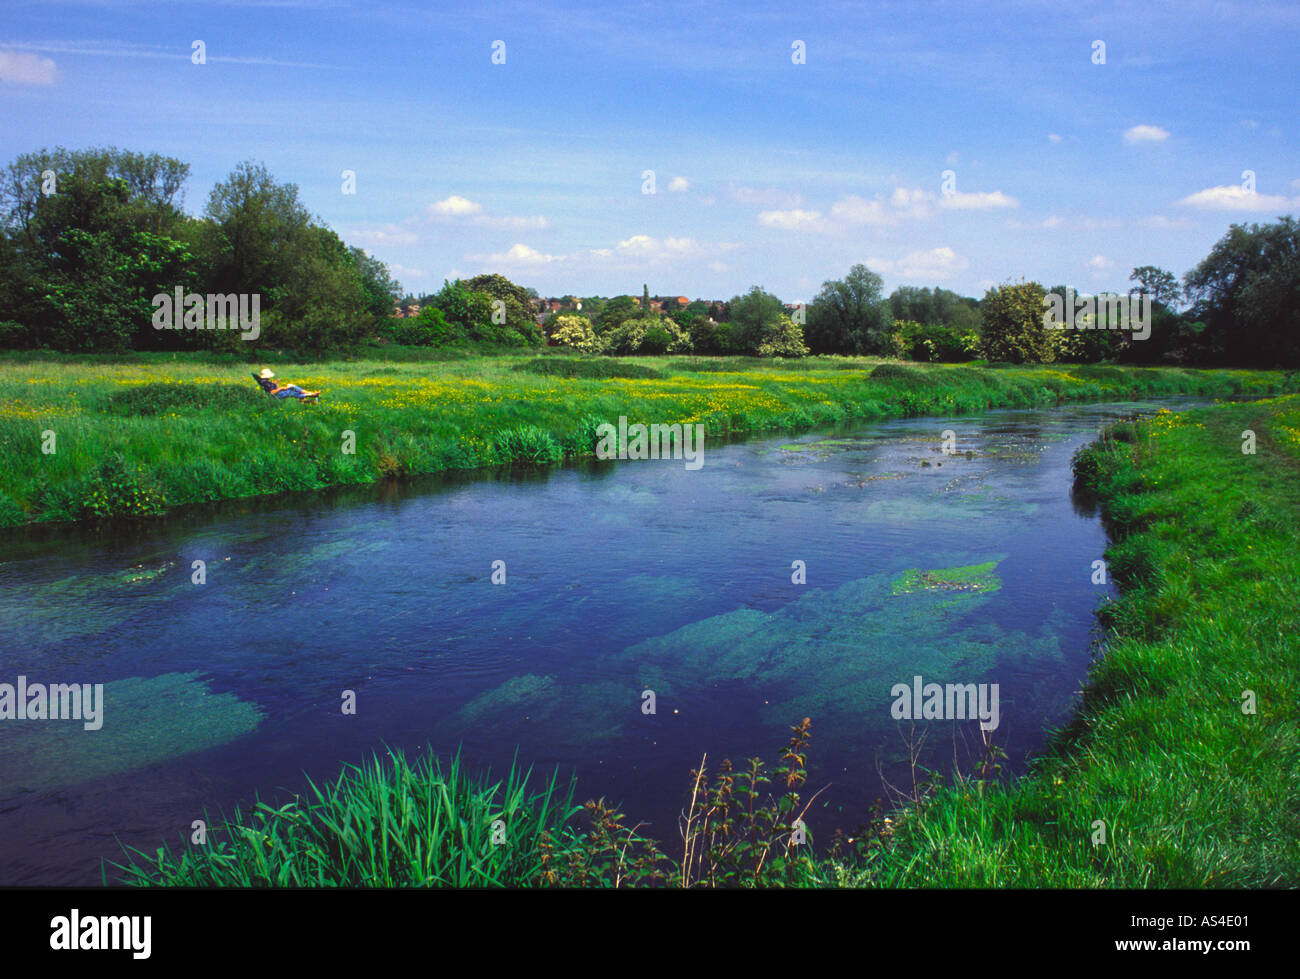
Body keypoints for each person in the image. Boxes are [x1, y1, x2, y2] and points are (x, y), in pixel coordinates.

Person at [253, 368, 320, 401]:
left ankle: (310, 395)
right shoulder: (266, 383)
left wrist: (275, 383)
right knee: (292, 391)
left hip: (279, 393)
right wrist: (281, 388)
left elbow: (270, 388)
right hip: (278, 395)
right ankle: (311, 394)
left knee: (292, 386)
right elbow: (271, 392)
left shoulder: (265, 382)